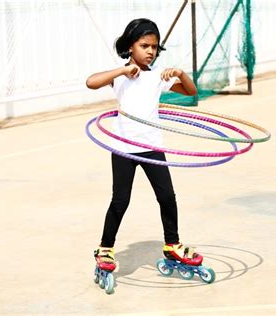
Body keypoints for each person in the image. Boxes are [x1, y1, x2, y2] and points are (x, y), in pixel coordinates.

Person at [86, 18, 200, 271]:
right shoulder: (121, 76)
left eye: (154, 47)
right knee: (121, 200)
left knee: (167, 196)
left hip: (152, 147)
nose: (150, 51)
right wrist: (122, 71)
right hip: (124, 148)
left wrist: (181, 73)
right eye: (144, 45)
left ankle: (172, 244)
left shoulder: (158, 77)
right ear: (130, 46)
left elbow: (191, 91)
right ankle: (105, 248)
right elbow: (91, 82)